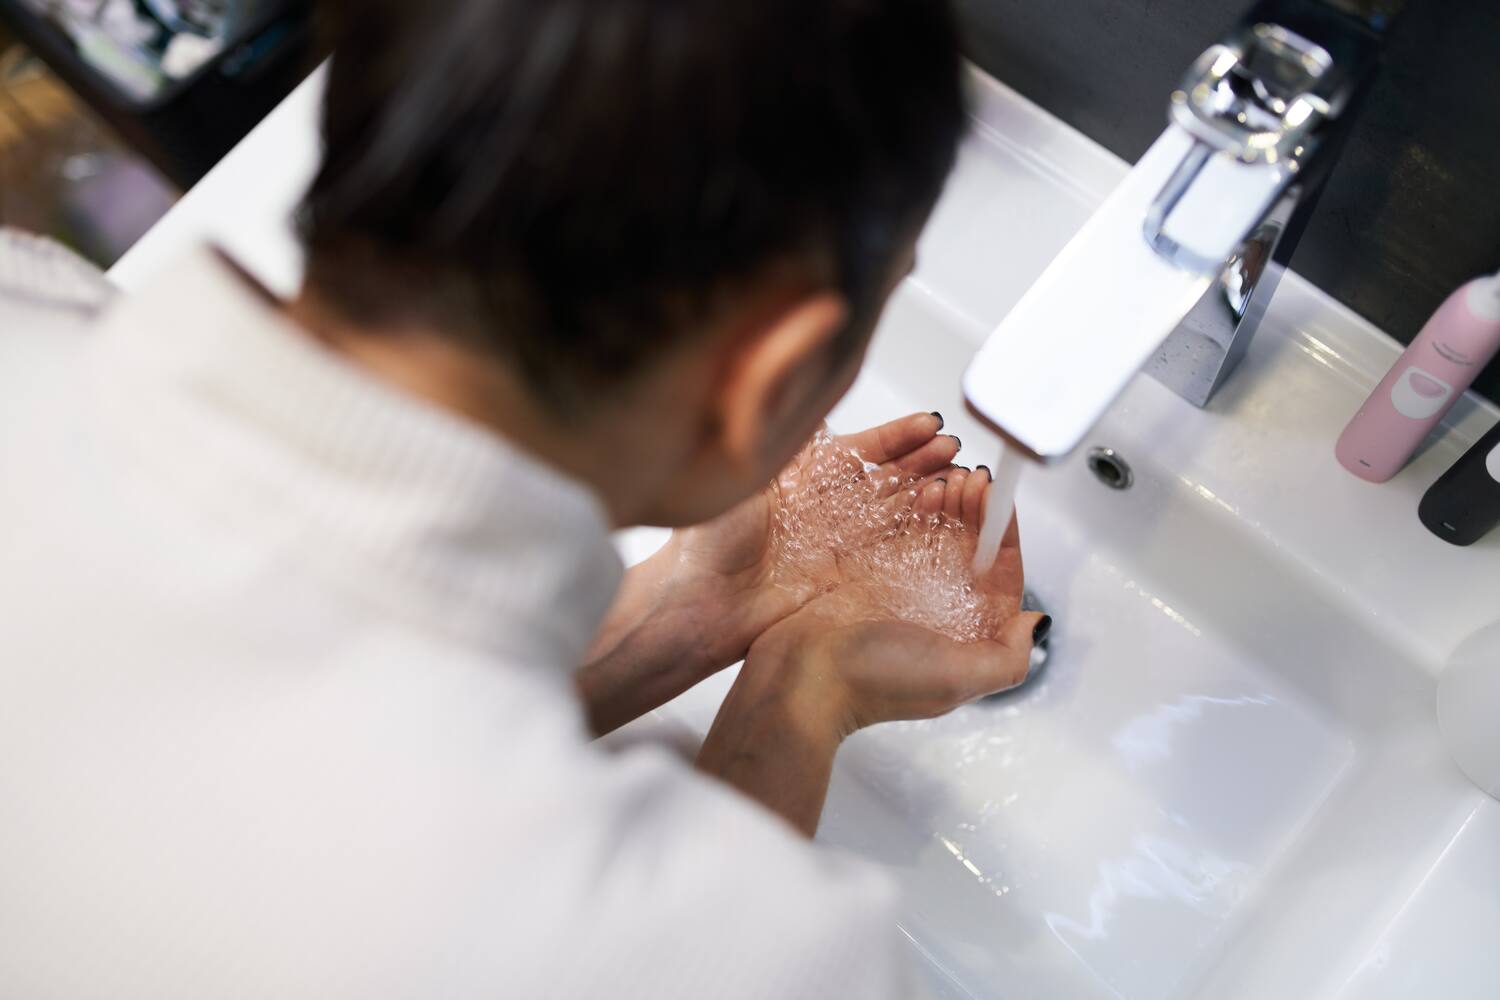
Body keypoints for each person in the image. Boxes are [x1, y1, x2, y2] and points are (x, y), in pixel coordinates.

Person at [0, 1, 1045, 996]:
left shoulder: (25, 296)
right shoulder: (725, 951)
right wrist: (802, 696)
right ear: (762, 382)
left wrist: (680, 618)